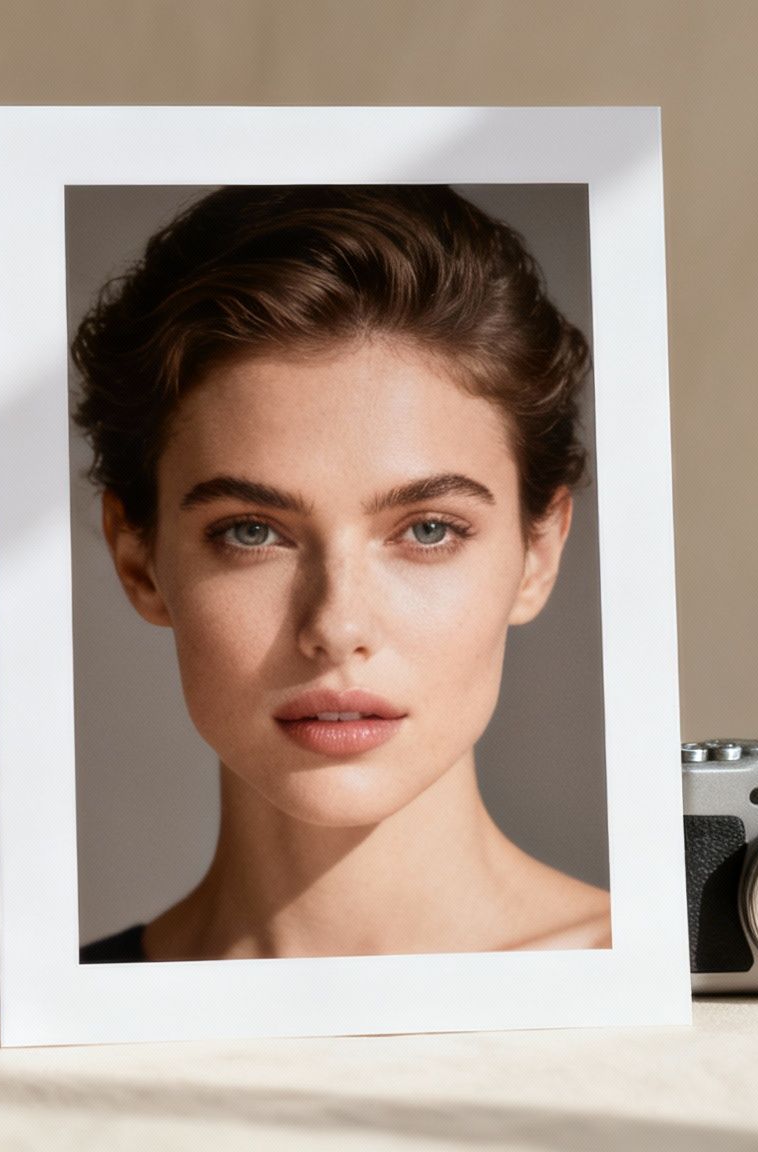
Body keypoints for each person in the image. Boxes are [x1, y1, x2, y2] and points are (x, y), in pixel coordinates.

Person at [72, 185, 608, 962]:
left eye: (428, 530)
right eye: (251, 532)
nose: (337, 627)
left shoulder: (698, 1004)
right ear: (139, 560)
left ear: (540, 553)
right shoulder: (43, 1017)